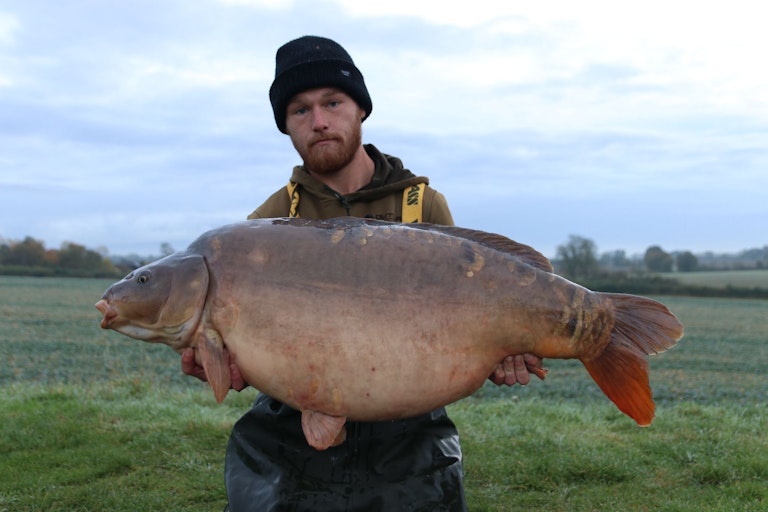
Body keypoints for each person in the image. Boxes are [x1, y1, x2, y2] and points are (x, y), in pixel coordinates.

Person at [182, 35, 544, 512]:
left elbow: (466, 318)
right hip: (291, 424)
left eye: (333, 102)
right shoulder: (266, 225)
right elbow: (247, 340)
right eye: (300, 110)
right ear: (286, 126)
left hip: (406, 426)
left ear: (361, 110)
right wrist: (225, 360)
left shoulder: (422, 207)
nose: (319, 121)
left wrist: (500, 348)